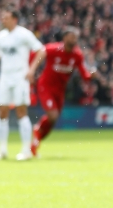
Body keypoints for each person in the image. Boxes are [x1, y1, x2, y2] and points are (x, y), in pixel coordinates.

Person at [0, 9, 46, 160]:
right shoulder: (1, 36)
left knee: (21, 111)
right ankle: (2, 150)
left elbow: (41, 51)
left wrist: (31, 70)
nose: (3, 20)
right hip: (5, 77)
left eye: (6, 17)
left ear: (15, 19)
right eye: (3, 17)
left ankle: (26, 151)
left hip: (20, 77)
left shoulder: (24, 34)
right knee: (2, 112)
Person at [31, 27, 95, 157]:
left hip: (60, 90)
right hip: (46, 86)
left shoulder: (77, 55)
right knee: (53, 116)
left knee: (53, 121)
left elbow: (84, 75)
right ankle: (37, 130)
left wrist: (91, 75)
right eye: (72, 37)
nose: (74, 40)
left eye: (76, 37)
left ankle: (36, 140)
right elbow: (41, 52)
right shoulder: (54, 49)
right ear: (64, 38)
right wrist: (32, 70)